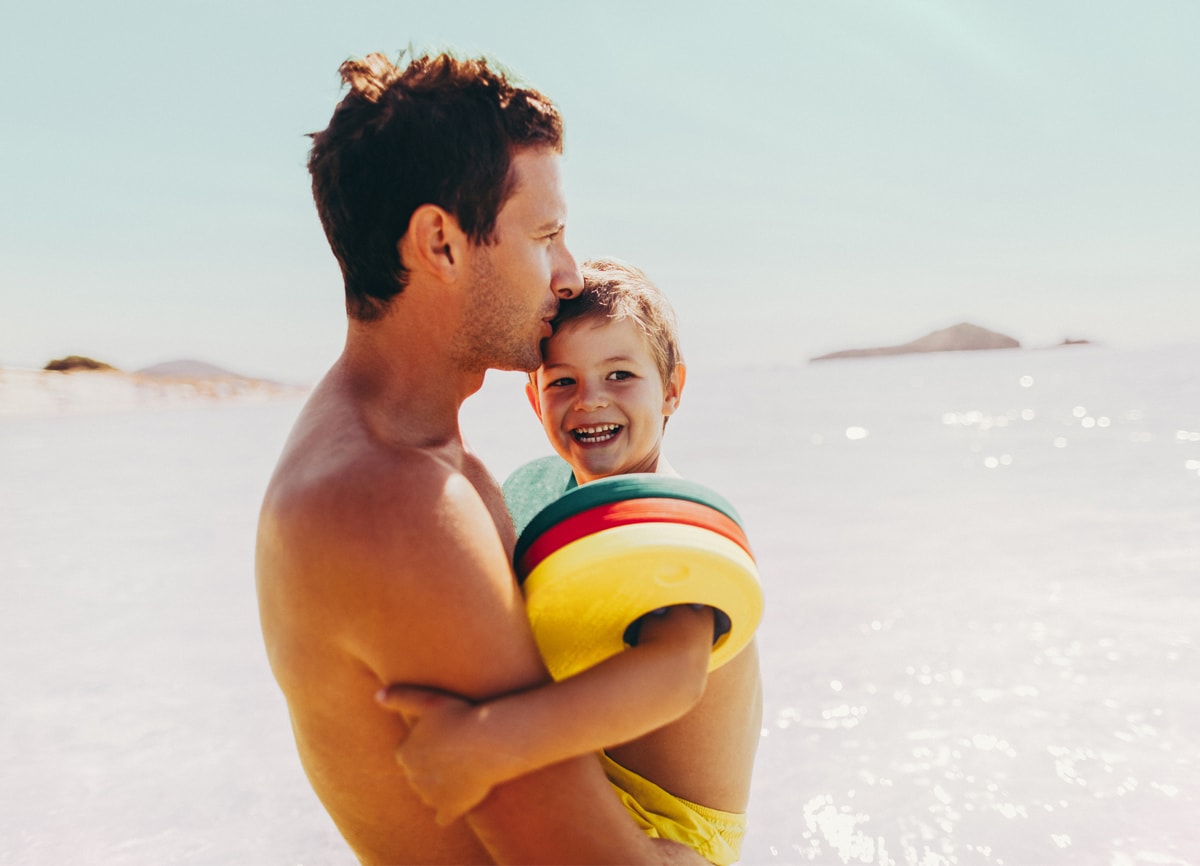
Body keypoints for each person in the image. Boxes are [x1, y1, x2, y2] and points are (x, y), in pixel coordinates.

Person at [256, 51, 709, 864]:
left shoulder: (404, 453)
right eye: (545, 235)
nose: (570, 275)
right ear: (441, 241)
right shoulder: (395, 504)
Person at [381, 259, 763, 866]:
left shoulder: (673, 525)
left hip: (671, 838)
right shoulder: (535, 494)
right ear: (534, 399)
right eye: (563, 381)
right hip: (575, 776)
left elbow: (674, 675)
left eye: (619, 374)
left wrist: (488, 743)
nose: (590, 401)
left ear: (671, 389)